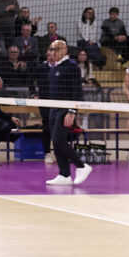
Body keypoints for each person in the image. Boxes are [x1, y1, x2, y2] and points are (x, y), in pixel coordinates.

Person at [38, 38, 91, 186]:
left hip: (65, 109)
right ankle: (64, 174)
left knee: (58, 140)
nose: (53, 52)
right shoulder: (54, 67)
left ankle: (81, 165)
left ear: (65, 50)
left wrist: (72, 112)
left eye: (57, 49)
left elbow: (77, 92)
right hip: (53, 109)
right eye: (51, 49)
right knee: (56, 142)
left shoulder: (72, 66)